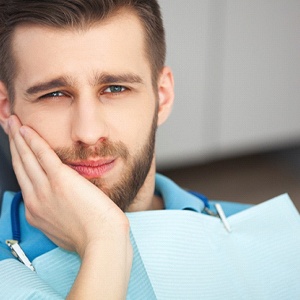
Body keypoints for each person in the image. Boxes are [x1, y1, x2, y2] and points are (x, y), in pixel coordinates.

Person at [1, 1, 300, 299]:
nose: (88, 134)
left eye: (115, 88)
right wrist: (103, 242)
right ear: (6, 108)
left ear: (163, 96)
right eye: (54, 94)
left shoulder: (272, 239)